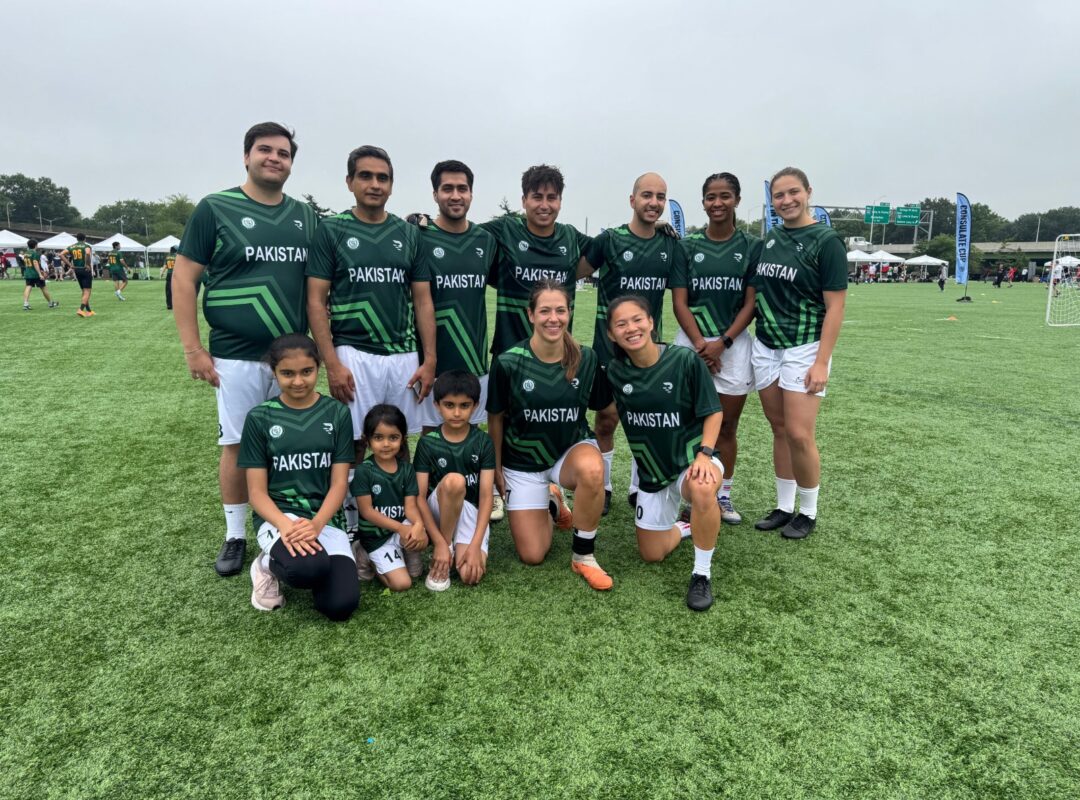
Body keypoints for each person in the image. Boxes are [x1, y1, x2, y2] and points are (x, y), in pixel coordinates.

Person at [174, 121, 319, 578]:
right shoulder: (216, 208)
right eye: (265, 150)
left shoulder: (305, 216)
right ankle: (235, 533)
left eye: (283, 153)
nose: (274, 158)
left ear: (291, 164)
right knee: (237, 445)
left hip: (292, 360)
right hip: (235, 355)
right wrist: (193, 348)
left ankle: (285, 525)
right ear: (246, 156)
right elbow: (184, 278)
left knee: (293, 442)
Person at [600, 295, 724, 611]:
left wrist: (705, 454)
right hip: (652, 472)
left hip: (691, 460)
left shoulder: (684, 360)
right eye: (621, 324)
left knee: (702, 487)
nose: (631, 328)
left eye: (637, 319)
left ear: (651, 322)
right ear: (611, 334)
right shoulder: (615, 372)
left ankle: (701, 573)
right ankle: (685, 526)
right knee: (651, 554)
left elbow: (713, 412)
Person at [486, 280, 612, 591]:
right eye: (544, 311)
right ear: (530, 314)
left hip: (567, 453)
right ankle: (552, 501)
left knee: (592, 469)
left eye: (560, 310)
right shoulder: (508, 362)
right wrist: (496, 468)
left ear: (569, 313)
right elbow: (495, 418)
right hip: (522, 462)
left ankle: (583, 556)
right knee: (533, 555)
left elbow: (605, 408)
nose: (553, 318)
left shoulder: (586, 358)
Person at [749, 167, 847, 540]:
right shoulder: (770, 239)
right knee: (779, 429)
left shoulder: (827, 241)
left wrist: (821, 361)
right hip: (766, 345)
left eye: (794, 192)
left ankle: (808, 511)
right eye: (779, 195)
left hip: (804, 346)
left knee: (799, 433)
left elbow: (835, 307)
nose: (787, 200)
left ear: (808, 192)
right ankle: (784, 506)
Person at [238, 334, 359, 620]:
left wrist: (317, 524)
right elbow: (256, 493)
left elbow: (339, 483)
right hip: (280, 517)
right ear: (274, 372)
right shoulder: (260, 418)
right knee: (307, 569)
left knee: (340, 605)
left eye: (307, 371)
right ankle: (266, 565)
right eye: (287, 373)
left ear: (318, 368)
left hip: (325, 518)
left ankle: (312, 561)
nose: (298, 381)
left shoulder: (337, 413)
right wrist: (284, 525)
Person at [582, 172, 678, 515]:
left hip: (650, 349)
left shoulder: (670, 244)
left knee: (646, 418)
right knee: (607, 419)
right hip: (608, 348)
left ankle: (640, 486)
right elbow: (571, 273)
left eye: (660, 197)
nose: (654, 202)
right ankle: (604, 485)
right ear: (632, 200)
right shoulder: (610, 240)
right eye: (647, 195)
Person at [671, 172, 761, 525]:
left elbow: (750, 303)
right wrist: (700, 346)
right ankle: (691, 495)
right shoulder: (687, 246)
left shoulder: (751, 246)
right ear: (703, 202)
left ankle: (722, 496)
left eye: (725, 196)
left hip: (733, 346)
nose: (718, 203)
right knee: (688, 425)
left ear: (737, 199)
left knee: (726, 427)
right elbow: (679, 303)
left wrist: (721, 345)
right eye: (711, 197)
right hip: (691, 344)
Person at [416, 160, 498, 434]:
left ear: (471, 194)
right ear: (435, 194)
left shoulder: (485, 240)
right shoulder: (419, 237)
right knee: (432, 436)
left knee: (470, 438)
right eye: (447, 188)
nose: (455, 195)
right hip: (433, 362)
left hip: (475, 361)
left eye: (462, 189)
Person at [414, 370, 496, 590]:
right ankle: (445, 546)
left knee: (470, 575)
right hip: (437, 509)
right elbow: (419, 497)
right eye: (449, 405)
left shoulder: (483, 442)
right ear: (437, 405)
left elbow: (486, 496)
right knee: (455, 481)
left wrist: (475, 545)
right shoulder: (428, 443)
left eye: (464, 405)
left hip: (469, 509)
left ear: (475, 406)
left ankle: (452, 549)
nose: (457, 413)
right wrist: (440, 543)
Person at [351, 405, 428, 592]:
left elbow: (410, 507)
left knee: (419, 556)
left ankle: (403, 551)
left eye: (393, 437)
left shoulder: (406, 469)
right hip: (376, 537)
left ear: (403, 439)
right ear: (367, 440)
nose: (386, 444)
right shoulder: (364, 471)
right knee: (402, 584)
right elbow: (367, 511)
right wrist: (401, 528)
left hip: (399, 530)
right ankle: (365, 554)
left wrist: (418, 524)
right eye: (378, 437)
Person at [60, 233, 95, 316]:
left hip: (77, 269)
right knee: (87, 291)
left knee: (84, 290)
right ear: (85, 239)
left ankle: (89, 311)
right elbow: (87, 253)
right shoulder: (86, 246)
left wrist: (70, 265)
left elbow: (61, 254)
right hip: (85, 269)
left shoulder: (72, 246)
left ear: (77, 239)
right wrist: (87, 264)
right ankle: (81, 309)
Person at [20, 240, 58, 310]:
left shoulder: (26, 253)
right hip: (35, 274)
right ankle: (50, 303)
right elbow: (35, 263)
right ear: (35, 245)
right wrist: (40, 274)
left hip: (28, 273)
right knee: (43, 287)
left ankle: (25, 304)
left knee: (28, 287)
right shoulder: (35, 253)